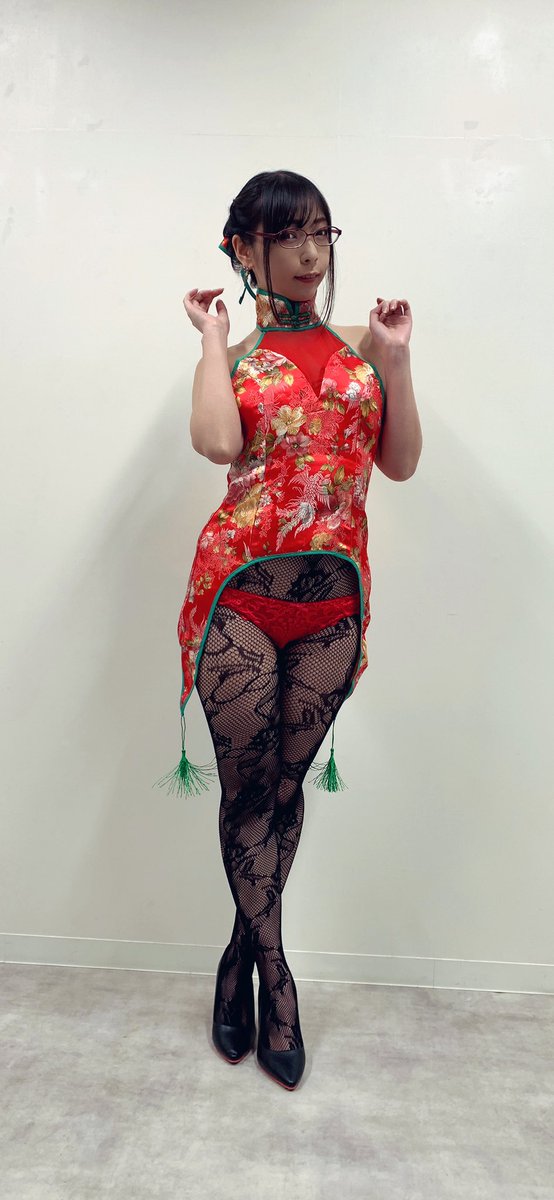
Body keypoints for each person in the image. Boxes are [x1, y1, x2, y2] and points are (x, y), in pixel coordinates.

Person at [155, 169, 422, 1090]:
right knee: (247, 792)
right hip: (239, 598)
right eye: (287, 236)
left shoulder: (362, 350)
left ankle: (237, 955)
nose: (311, 254)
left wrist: (397, 359)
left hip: (333, 605)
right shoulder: (233, 358)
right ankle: (277, 977)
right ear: (244, 248)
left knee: (283, 785)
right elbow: (219, 445)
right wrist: (211, 338)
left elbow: (400, 463)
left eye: (321, 233)